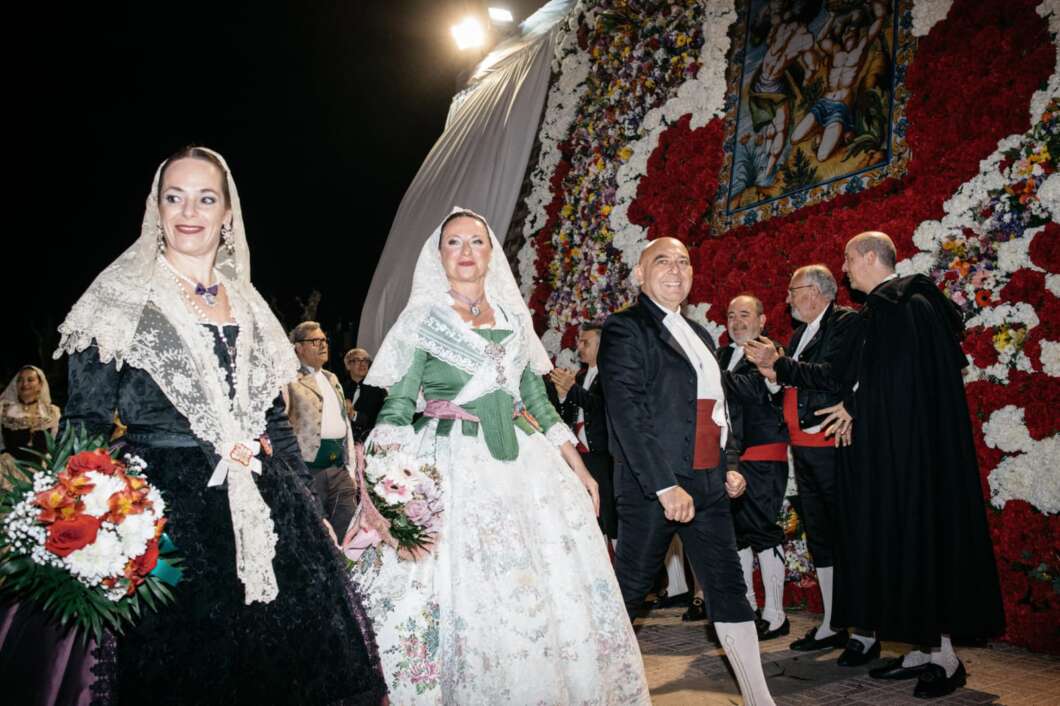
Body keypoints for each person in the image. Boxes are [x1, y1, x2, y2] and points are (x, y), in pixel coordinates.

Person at [1, 147, 387, 705]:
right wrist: (83, 519)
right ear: (155, 208)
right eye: (174, 196)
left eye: (206, 198)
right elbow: (84, 421)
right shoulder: (118, 297)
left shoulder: (249, 303)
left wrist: (308, 505)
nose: (189, 211)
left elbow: (273, 420)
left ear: (227, 212)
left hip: (267, 501)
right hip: (162, 511)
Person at [348, 208, 649, 705]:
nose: (466, 252)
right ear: (438, 256)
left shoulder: (514, 319)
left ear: (491, 254)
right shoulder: (422, 319)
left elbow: (537, 402)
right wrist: (385, 474)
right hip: (447, 463)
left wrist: (579, 469)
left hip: (525, 465)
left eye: (476, 242)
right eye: (453, 243)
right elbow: (400, 405)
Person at [823, 232, 1004, 698]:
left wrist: (857, 408)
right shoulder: (903, 304)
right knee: (908, 540)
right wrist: (857, 405)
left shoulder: (899, 306)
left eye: (847, 258)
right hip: (908, 448)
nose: (844, 269)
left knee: (923, 538)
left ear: (868, 256)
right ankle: (925, 648)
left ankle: (946, 658)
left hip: (914, 455)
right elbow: (884, 380)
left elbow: (897, 385)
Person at [598, 237, 776, 706]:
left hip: (708, 483)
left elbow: (718, 410)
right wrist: (663, 485)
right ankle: (595, 688)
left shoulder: (699, 334)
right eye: (663, 262)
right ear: (640, 274)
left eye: (684, 262)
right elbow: (627, 413)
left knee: (728, 589)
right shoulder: (624, 328)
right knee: (632, 588)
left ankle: (760, 700)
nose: (676, 270)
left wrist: (731, 463)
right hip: (653, 486)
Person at [744, 264, 868, 665]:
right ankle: (833, 622)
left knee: (848, 536)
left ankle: (865, 631)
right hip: (804, 447)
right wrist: (773, 373)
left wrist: (778, 364)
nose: (787, 298)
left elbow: (832, 376)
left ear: (815, 291)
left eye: (792, 290)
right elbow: (797, 381)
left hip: (835, 445)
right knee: (821, 538)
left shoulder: (846, 323)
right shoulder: (800, 335)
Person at [286, 321, 359, 537]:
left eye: (324, 340)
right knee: (314, 532)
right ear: (298, 347)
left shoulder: (332, 377)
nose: (323, 345)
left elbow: (345, 423)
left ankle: (348, 570)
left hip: (338, 469)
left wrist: (351, 467)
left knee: (349, 528)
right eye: (315, 341)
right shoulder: (289, 378)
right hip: (308, 470)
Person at [551, 321, 618, 541]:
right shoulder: (579, 376)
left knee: (607, 514)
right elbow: (565, 415)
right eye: (579, 341)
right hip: (579, 455)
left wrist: (571, 390)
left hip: (602, 457)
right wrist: (563, 394)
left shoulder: (611, 375)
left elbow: (600, 407)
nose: (579, 347)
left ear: (601, 345)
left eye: (585, 342)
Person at [0, 365, 61, 465]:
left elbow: (55, 444)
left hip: (42, 469)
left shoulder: (52, 412)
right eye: (20, 380)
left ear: (40, 384)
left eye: (30, 380)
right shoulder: (3, 410)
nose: (25, 384)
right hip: (10, 468)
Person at [343, 347, 386, 440]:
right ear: (348, 365)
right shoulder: (340, 388)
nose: (362, 364)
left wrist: (354, 414)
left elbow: (377, 419)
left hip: (366, 440)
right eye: (357, 360)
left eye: (365, 361)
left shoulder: (378, 390)